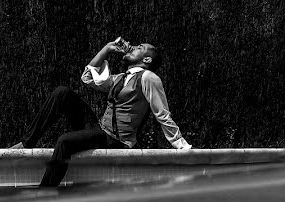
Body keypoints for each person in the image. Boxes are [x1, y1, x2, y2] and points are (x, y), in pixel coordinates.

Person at [11, 37, 193, 187]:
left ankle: (44, 194)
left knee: (64, 141)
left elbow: (162, 114)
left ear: (147, 59)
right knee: (62, 93)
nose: (133, 47)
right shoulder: (121, 78)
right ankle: (27, 143)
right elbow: (88, 77)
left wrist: (182, 146)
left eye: (139, 47)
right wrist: (107, 49)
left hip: (115, 140)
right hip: (99, 130)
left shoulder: (149, 78)